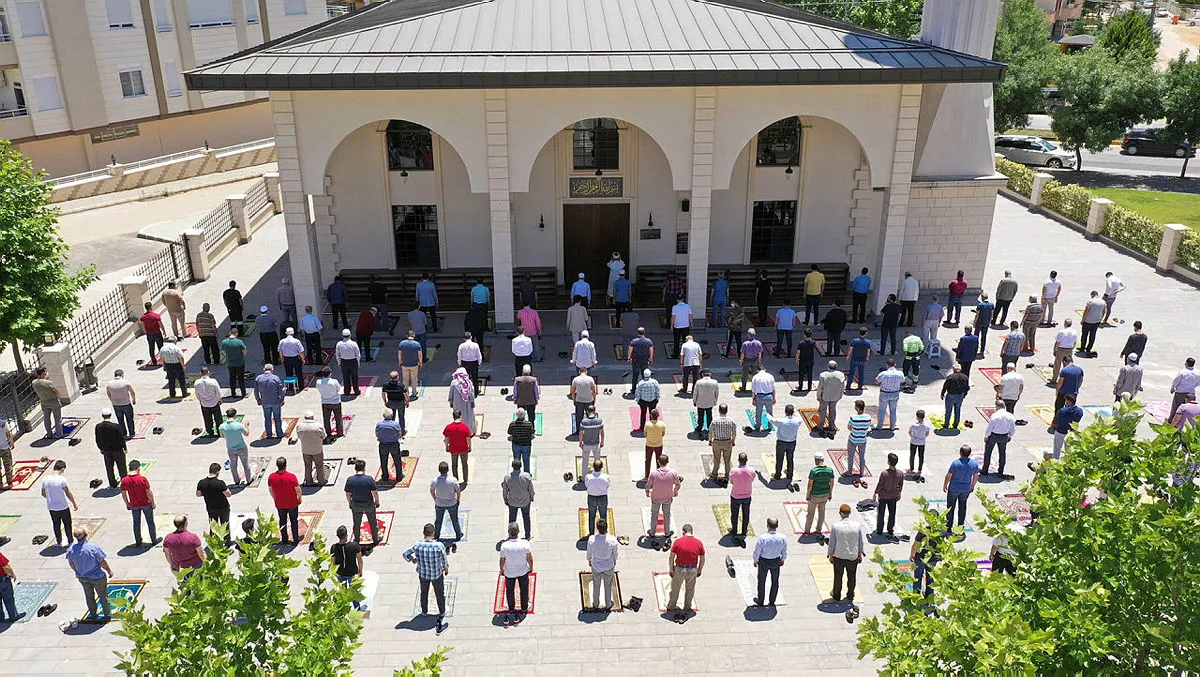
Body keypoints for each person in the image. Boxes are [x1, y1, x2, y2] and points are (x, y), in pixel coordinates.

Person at [403, 523, 450, 633]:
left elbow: (405, 554)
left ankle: (424, 611)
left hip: (423, 573)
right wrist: (446, 568)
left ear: (424, 533)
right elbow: (444, 559)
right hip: (436, 574)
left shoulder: (418, 545)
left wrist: (412, 560)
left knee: (424, 592)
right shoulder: (439, 546)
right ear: (433, 533)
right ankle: (442, 610)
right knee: (439, 593)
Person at [65, 527, 114, 621]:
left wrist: (77, 571)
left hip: (83, 577)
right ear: (86, 535)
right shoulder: (93, 548)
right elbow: (102, 562)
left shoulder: (71, 550)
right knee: (103, 596)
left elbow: (71, 563)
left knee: (89, 596)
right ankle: (107, 614)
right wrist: (109, 570)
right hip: (97, 577)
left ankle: (93, 614)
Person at [666, 523, 705, 620]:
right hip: (692, 569)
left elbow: (671, 556)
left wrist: (671, 568)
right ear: (692, 531)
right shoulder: (698, 543)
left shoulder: (678, 542)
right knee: (690, 589)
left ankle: (671, 606)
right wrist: (699, 569)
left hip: (680, 569)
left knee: (675, 589)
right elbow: (702, 558)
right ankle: (687, 607)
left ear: (683, 531)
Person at [827, 504, 865, 602]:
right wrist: (860, 554)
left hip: (839, 555)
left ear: (840, 513)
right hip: (852, 556)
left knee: (838, 577)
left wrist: (830, 554)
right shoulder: (857, 526)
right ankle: (850, 594)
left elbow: (832, 542)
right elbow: (860, 541)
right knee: (852, 577)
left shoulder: (836, 526)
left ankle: (836, 595)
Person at [498, 523, 534, 625]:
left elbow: (502, 560)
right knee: (524, 589)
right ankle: (524, 607)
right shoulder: (525, 543)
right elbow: (530, 558)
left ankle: (511, 608)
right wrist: (531, 567)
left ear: (509, 533)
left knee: (510, 591)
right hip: (523, 571)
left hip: (509, 572)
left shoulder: (504, 546)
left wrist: (501, 570)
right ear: (518, 532)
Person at [120, 460, 158, 547]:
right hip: (146, 503)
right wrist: (153, 502)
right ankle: (153, 540)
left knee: (136, 523)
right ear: (138, 469)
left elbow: (123, 493)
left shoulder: (125, 480)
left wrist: (127, 503)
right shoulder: (142, 479)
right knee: (150, 522)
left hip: (134, 505)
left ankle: (138, 541)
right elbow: (149, 492)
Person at [943, 445, 980, 531]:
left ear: (960, 453)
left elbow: (949, 476)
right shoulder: (974, 464)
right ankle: (960, 526)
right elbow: (975, 476)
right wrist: (972, 486)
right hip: (965, 489)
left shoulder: (955, 463)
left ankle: (948, 526)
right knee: (962, 507)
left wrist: (945, 484)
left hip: (954, 489)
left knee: (950, 508)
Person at [752, 517, 788, 606]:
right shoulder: (782, 538)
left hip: (764, 561)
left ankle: (760, 600)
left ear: (767, 526)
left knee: (761, 581)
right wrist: (783, 559)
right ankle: (772, 601)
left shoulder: (762, 538)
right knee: (775, 581)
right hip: (776, 561)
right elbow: (784, 550)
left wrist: (755, 560)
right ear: (777, 526)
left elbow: (757, 551)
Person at [586, 517, 619, 612]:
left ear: (597, 528)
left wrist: (589, 560)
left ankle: (595, 604)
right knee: (608, 585)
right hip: (609, 565)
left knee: (596, 585)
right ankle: (608, 604)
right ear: (607, 527)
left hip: (596, 566)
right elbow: (615, 553)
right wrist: (614, 560)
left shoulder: (592, 539)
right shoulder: (612, 540)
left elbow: (589, 552)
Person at [345, 460, 381, 545]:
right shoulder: (369, 479)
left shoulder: (350, 480)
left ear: (355, 468)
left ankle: (357, 539)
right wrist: (377, 501)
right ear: (364, 468)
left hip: (356, 504)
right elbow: (374, 492)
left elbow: (348, 494)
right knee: (372, 522)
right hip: (368, 504)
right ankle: (375, 539)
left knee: (356, 523)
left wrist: (350, 503)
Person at [41, 460, 77, 547]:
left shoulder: (45, 479)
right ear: (62, 469)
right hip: (63, 506)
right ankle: (70, 540)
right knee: (67, 524)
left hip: (51, 507)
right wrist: (74, 503)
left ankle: (59, 541)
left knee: (56, 524)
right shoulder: (62, 479)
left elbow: (43, 493)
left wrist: (50, 498)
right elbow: (68, 493)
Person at [268, 457, 301, 545]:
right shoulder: (291, 477)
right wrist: (299, 498)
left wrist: (274, 498)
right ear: (285, 466)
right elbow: (298, 489)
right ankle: (295, 539)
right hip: (292, 503)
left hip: (280, 503)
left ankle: (284, 539)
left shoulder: (271, 477)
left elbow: (270, 489)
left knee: (282, 521)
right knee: (294, 520)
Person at [646, 453, 681, 536]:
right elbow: (678, 484)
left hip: (655, 497)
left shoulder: (653, 473)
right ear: (667, 462)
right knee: (667, 514)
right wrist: (675, 491)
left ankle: (652, 532)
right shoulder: (673, 473)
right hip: (668, 497)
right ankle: (667, 532)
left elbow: (648, 485)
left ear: (658, 462)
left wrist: (647, 491)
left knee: (654, 514)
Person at [871, 452, 904, 538]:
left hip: (883, 495)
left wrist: (875, 493)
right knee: (892, 513)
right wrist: (899, 493)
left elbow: (880, 484)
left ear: (889, 462)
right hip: (893, 496)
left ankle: (879, 530)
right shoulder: (900, 473)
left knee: (881, 513)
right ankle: (890, 529)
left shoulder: (884, 473)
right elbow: (900, 484)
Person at [330, 525, 363, 609]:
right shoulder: (355, 546)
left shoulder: (334, 548)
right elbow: (359, 559)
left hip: (340, 573)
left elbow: (333, 562)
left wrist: (333, 573)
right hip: (352, 573)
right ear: (347, 535)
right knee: (354, 591)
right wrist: (360, 571)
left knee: (343, 592)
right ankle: (357, 608)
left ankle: (344, 608)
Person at [501, 459, 535, 540]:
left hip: (512, 502)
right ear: (521, 466)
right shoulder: (527, 476)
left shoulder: (507, 478)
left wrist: (505, 499)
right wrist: (532, 497)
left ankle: (511, 535)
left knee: (512, 520)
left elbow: (505, 491)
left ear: (512, 466)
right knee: (526, 517)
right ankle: (527, 535)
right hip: (525, 501)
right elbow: (531, 489)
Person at [768, 404, 803, 481]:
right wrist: (795, 413)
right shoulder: (797, 421)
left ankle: (777, 475)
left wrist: (767, 415)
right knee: (790, 459)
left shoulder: (782, 421)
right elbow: (800, 417)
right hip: (792, 442)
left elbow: (772, 420)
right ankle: (790, 475)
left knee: (779, 459)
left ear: (785, 412)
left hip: (781, 443)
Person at [726, 452, 755, 544]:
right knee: (746, 514)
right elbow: (752, 479)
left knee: (734, 514)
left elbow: (731, 482)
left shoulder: (733, 471)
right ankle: (744, 531)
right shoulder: (751, 470)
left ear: (738, 460)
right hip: (747, 495)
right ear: (746, 460)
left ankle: (734, 530)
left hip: (736, 495)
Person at [982, 399, 1016, 477]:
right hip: (1004, 436)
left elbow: (990, 428)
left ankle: (985, 470)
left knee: (988, 453)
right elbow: (1013, 428)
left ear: (997, 407)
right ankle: (1000, 471)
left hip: (993, 435)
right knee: (1002, 453)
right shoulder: (1010, 416)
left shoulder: (994, 416)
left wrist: (986, 436)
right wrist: (1010, 435)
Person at [94, 409, 128, 489]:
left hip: (106, 450)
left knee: (109, 468)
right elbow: (121, 438)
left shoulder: (98, 426)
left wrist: (101, 449)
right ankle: (125, 483)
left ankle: (112, 483)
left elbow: (97, 439)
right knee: (122, 467)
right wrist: (125, 447)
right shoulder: (115, 426)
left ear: (103, 416)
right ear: (110, 415)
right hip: (117, 450)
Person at [196, 462, 232, 534]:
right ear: (218, 472)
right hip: (223, 507)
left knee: (213, 526)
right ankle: (227, 542)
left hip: (211, 507)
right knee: (225, 525)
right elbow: (228, 494)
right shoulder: (220, 483)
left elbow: (198, 494)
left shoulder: (201, 482)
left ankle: (213, 542)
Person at [218, 408, 252, 485]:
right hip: (241, 447)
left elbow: (222, 435)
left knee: (233, 465)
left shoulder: (222, 426)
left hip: (231, 448)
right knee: (245, 464)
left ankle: (236, 480)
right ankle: (249, 480)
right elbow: (247, 434)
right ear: (235, 415)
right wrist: (247, 426)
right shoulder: (239, 425)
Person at [805, 452, 834, 534]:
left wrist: (808, 494)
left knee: (811, 513)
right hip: (825, 494)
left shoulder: (814, 471)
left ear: (815, 460)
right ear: (823, 460)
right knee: (822, 512)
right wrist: (830, 493)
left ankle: (807, 530)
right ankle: (819, 529)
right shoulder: (830, 470)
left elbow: (810, 485)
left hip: (815, 495)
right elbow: (831, 483)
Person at [293, 412, 326, 486]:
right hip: (317, 450)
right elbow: (324, 436)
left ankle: (308, 482)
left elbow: (298, 436)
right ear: (312, 417)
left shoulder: (300, 426)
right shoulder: (318, 426)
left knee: (307, 466)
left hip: (306, 450)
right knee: (319, 466)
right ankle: (321, 481)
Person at [254, 364, 286, 438]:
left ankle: (269, 435)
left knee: (267, 419)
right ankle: (279, 434)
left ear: (264, 369)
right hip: (275, 401)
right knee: (277, 418)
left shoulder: (258, 378)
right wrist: (282, 399)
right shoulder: (275, 378)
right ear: (272, 369)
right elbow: (280, 391)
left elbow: (256, 391)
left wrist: (258, 400)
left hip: (265, 402)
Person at [708, 403, 738, 481]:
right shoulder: (731, 421)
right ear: (727, 411)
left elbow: (710, 432)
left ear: (719, 411)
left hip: (717, 442)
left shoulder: (715, 421)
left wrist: (710, 440)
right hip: (727, 442)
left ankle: (714, 474)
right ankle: (728, 474)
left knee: (716, 459)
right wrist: (733, 441)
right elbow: (734, 433)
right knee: (727, 460)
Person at [372, 408, 402, 484]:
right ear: (392, 415)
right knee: (397, 461)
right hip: (394, 444)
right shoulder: (395, 424)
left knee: (383, 461)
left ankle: (385, 477)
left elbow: (377, 434)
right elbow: (400, 434)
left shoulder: (379, 424)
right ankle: (399, 476)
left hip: (383, 445)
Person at [442, 410, 473, 485]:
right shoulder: (465, 427)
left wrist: (446, 447)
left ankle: (455, 480)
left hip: (453, 449)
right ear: (460, 416)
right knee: (465, 465)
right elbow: (468, 439)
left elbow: (446, 439)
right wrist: (470, 447)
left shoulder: (448, 427)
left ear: (453, 417)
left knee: (454, 465)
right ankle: (465, 480)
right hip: (463, 448)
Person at [583, 458, 611, 539]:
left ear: (593, 467)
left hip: (592, 498)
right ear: (602, 467)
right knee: (603, 516)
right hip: (602, 498)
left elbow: (586, 485)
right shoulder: (606, 477)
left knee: (592, 515)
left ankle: (591, 533)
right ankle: (604, 532)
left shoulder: (588, 477)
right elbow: (607, 485)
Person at [105, 369, 137, 438]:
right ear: (122, 374)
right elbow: (132, 392)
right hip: (126, 403)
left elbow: (108, 394)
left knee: (120, 420)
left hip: (116, 404)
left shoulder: (109, 384)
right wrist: (133, 400)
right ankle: (131, 433)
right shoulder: (126, 382)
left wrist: (113, 401)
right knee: (129, 419)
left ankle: (124, 433)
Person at [845, 400, 873, 478]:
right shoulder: (868, 417)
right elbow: (870, 427)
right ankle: (861, 472)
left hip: (853, 439)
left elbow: (849, 428)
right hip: (863, 440)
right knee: (862, 456)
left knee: (851, 455)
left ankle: (850, 471)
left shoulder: (853, 417)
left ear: (857, 408)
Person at [816, 360, 845, 434]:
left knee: (822, 411)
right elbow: (842, 386)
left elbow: (820, 387)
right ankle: (832, 426)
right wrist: (840, 395)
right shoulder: (841, 375)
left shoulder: (823, 375)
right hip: (835, 396)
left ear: (828, 367)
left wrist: (818, 396)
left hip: (825, 397)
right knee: (832, 411)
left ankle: (821, 426)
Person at [875, 357, 904, 430]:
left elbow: (876, 381)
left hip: (884, 393)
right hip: (895, 393)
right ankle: (892, 427)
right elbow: (902, 381)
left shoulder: (883, 373)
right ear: (895, 364)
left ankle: (879, 427)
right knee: (893, 411)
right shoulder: (900, 373)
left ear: (887, 365)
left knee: (882, 410)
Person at [315, 367, 344, 439]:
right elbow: (339, 389)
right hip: (335, 402)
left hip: (325, 402)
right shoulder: (334, 381)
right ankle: (340, 433)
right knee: (338, 418)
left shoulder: (318, 382)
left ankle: (328, 433)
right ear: (330, 374)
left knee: (326, 419)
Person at [194, 367, 224, 437]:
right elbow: (218, 391)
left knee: (207, 419)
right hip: (214, 402)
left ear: (201, 373)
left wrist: (200, 400)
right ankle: (219, 432)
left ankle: (210, 432)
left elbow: (197, 394)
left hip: (204, 404)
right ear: (208, 372)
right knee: (218, 418)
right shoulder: (213, 381)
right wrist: (219, 399)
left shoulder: (197, 382)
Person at [1051, 394, 1083, 458]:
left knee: (1057, 449)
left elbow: (1057, 420)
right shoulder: (1080, 411)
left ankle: (1055, 460)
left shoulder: (1062, 411)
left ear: (1067, 401)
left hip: (1061, 431)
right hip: (1072, 432)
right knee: (1069, 450)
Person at [1169, 358, 1200, 423]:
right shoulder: (1198, 372)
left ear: (1186, 363)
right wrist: (1192, 386)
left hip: (1180, 393)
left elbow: (1176, 381)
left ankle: (1171, 422)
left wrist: (1173, 387)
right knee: (1189, 409)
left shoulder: (1182, 371)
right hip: (1191, 393)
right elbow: (1198, 383)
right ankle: (1186, 423)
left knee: (1176, 408)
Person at [448, 367, 477, 437]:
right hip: (467, 404)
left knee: (459, 417)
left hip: (457, 404)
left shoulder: (454, 383)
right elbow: (471, 393)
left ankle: (459, 432)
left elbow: (451, 393)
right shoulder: (468, 382)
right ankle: (470, 431)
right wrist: (472, 402)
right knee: (469, 417)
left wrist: (451, 402)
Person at [940, 364, 970, 429]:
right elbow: (967, 388)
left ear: (953, 370)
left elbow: (945, 387)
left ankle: (946, 425)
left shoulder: (950, 377)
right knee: (957, 410)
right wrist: (964, 395)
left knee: (948, 411)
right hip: (960, 396)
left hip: (951, 395)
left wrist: (942, 394)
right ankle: (955, 425)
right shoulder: (965, 377)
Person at [578, 405, 605, 477]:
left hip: (586, 444)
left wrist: (580, 442)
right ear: (595, 411)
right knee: (597, 461)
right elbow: (602, 432)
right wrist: (602, 442)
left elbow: (581, 433)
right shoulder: (599, 421)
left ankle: (584, 477)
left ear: (587, 412)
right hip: (596, 444)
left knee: (585, 461)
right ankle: (598, 475)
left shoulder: (584, 422)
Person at [570, 366, 597, 436]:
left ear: (579, 372)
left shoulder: (575, 380)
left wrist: (574, 399)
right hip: (589, 400)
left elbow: (572, 391)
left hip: (579, 400)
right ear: (586, 372)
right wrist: (594, 399)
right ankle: (591, 430)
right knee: (590, 416)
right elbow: (594, 391)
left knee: (579, 417)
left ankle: (579, 431)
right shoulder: (590, 379)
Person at [627, 327, 655, 395]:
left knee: (635, 375)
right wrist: (651, 358)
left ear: (637, 333)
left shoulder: (634, 341)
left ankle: (633, 389)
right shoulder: (649, 341)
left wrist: (629, 358)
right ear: (644, 332)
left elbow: (630, 349)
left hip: (636, 360)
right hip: (645, 360)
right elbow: (651, 350)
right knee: (645, 375)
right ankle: (645, 389)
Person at [691, 369, 719, 437]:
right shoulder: (714, 382)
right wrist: (715, 400)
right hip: (710, 402)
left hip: (700, 402)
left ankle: (699, 427)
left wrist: (694, 401)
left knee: (700, 416)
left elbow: (695, 393)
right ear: (710, 374)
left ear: (702, 375)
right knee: (709, 415)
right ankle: (709, 427)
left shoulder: (698, 382)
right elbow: (717, 393)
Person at [381, 371, 410, 436]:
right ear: (397, 377)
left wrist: (385, 401)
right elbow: (406, 395)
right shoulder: (401, 386)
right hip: (400, 403)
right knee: (401, 417)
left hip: (391, 402)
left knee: (392, 417)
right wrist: (407, 402)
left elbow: (383, 394)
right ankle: (402, 431)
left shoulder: (386, 385)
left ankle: (392, 429)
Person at [335, 329, 362, 396]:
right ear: (350, 335)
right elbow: (358, 355)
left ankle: (347, 391)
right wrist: (358, 362)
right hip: (353, 362)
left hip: (344, 362)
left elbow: (337, 354)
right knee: (355, 377)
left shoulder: (339, 344)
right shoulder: (354, 344)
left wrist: (339, 362)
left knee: (346, 377)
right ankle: (356, 391)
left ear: (342, 336)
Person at [643, 408, 667, 480]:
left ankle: (647, 475)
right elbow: (663, 434)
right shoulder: (662, 424)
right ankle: (659, 475)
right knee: (659, 461)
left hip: (649, 444)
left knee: (648, 460)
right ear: (658, 416)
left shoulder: (647, 424)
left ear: (650, 415)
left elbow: (645, 434)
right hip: (659, 444)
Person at [635, 369, 661, 434]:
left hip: (643, 401)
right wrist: (657, 398)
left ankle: (642, 427)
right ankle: (652, 426)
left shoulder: (641, 383)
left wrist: (638, 400)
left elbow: (638, 393)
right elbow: (657, 390)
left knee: (643, 414)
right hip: (652, 400)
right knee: (652, 414)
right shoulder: (654, 382)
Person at [750, 367, 776, 432]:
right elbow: (773, 389)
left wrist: (753, 399)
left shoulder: (755, 377)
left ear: (757, 370)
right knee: (769, 413)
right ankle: (770, 426)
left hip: (759, 396)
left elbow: (753, 390)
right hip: (769, 396)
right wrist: (774, 398)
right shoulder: (770, 376)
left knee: (758, 412)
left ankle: (758, 426)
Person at [908, 409, 933, 474]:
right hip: (922, 442)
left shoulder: (913, 425)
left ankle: (911, 468)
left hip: (914, 441)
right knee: (921, 456)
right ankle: (919, 470)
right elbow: (927, 434)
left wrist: (913, 437)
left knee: (912, 455)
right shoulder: (926, 426)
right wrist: (923, 437)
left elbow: (910, 432)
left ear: (917, 417)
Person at [0, 547, 18, 622]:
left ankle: (0, 618)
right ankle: (13, 616)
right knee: (8, 599)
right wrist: (13, 574)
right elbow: (6, 567)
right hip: (2, 580)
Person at [0, 418, 13, 490]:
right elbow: (8, 434)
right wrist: (12, 443)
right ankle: (9, 483)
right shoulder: (4, 423)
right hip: (5, 448)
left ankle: (0, 484)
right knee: (8, 465)